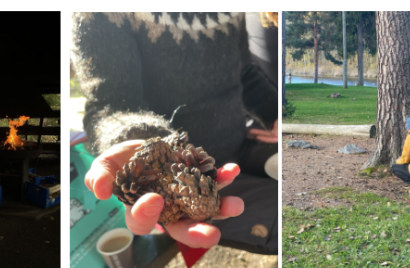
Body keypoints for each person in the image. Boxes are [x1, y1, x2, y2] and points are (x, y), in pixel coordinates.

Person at [74, 13, 278, 253]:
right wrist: (146, 148)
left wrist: (278, 115)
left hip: (241, 143)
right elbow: (110, 105)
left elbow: (244, 72)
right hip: (187, 184)